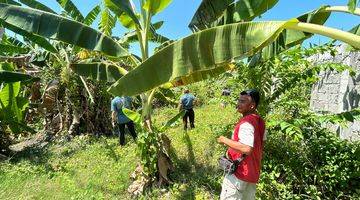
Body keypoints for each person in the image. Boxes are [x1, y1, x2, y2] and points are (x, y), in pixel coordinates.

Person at [217, 89, 266, 200]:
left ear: (252, 106)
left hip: (239, 173)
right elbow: (262, 145)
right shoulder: (260, 121)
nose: (238, 104)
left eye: (243, 101)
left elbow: (247, 148)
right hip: (252, 172)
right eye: (239, 100)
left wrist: (224, 140)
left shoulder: (246, 123)